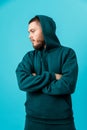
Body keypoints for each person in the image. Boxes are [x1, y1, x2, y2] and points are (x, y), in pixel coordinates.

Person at [16, 15, 78, 130]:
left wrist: (36, 83)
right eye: (29, 32)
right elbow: (23, 82)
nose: (30, 36)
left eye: (33, 31)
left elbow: (68, 85)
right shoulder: (29, 57)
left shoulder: (68, 54)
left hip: (62, 122)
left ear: (46, 30)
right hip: (32, 121)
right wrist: (52, 76)